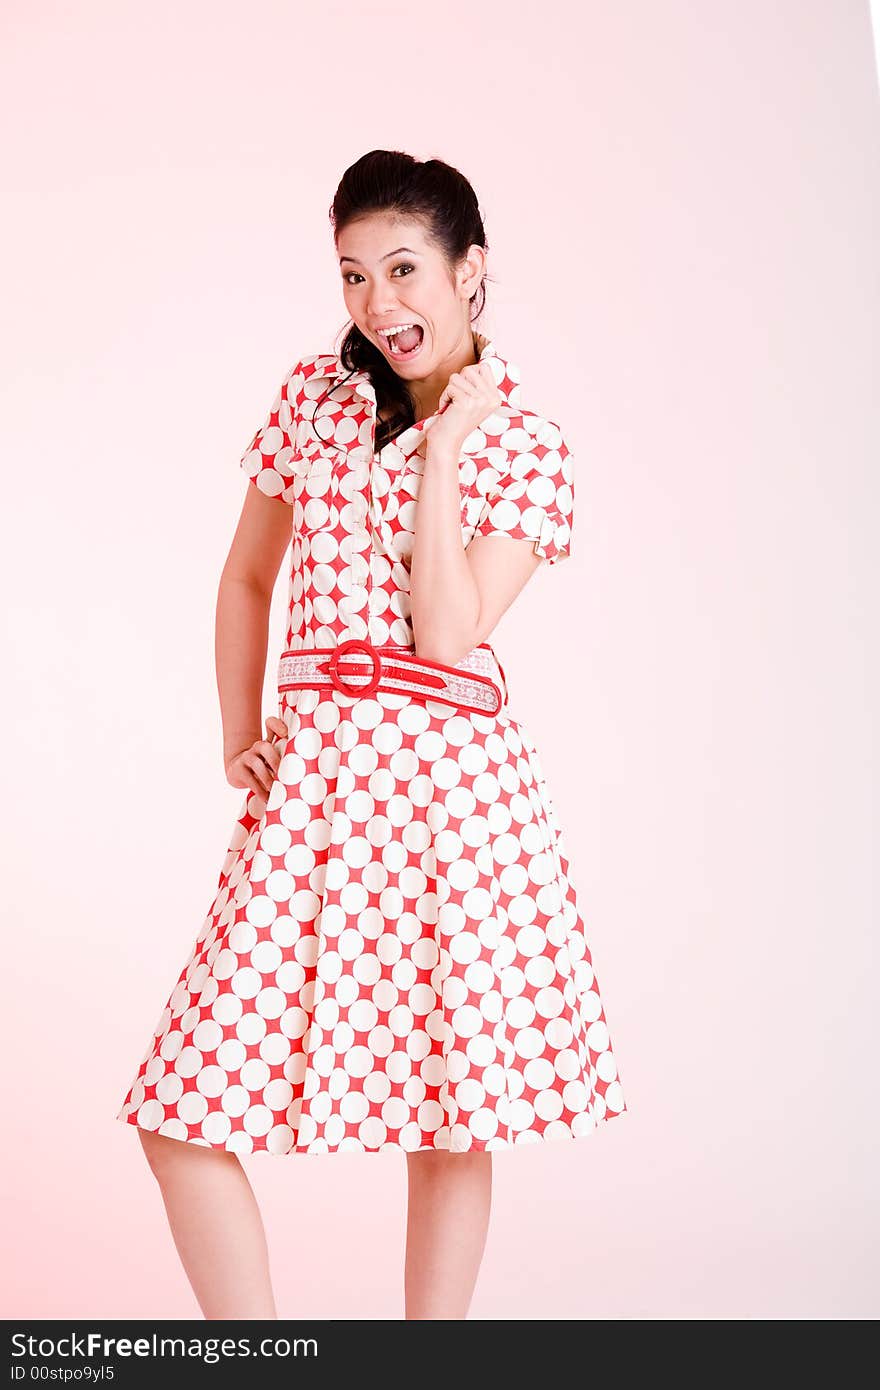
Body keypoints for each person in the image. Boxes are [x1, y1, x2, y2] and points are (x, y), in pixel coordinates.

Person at [115, 148, 627, 1320]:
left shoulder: (526, 445)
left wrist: (445, 447)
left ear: (470, 271)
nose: (377, 303)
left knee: (450, 1114)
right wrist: (236, 727)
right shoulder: (312, 395)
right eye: (352, 276)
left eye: (403, 269)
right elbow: (247, 578)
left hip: (452, 792)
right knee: (180, 1108)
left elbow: (449, 635)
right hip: (315, 783)